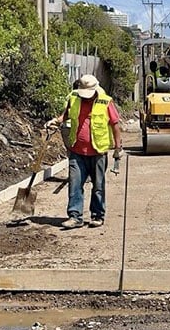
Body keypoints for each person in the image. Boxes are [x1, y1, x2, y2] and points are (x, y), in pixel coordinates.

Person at [44, 74, 123, 229]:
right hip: (77, 151)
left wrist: (117, 148)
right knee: (75, 185)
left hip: (98, 152)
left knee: (98, 186)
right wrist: (55, 121)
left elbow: (115, 125)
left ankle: (97, 216)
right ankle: (75, 217)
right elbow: (65, 115)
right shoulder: (74, 98)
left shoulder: (105, 101)